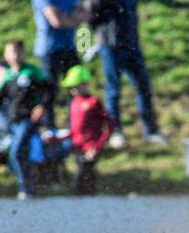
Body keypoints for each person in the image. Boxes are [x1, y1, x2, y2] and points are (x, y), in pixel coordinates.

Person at [88, 0, 165, 148]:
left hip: (131, 42)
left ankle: (151, 131)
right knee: (113, 90)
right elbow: (90, 12)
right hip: (110, 44)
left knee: (143, 86)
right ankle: (115, 131)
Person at [0, 39, 55, 199]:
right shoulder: (7, 74)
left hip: (28, 119)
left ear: (23, 53)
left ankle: (26, 187)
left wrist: (42, 105)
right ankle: (30, 184)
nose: (14, 55)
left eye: (17, 51)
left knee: (16, 153)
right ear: (5, 54)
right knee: (17, 154)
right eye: (10, 51)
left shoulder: (31, 72)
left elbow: (49, 89)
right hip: (13, 121)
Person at [57, 64, 113, 195]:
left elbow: (110, 125)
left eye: (75, 86)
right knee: (87, 178)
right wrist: (56, 138)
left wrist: (97, 147)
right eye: (70, 88)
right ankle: (87, 205)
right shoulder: (74, 103)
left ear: (84, 84)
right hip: (78, 147)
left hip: (91, 147)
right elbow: (74, 129)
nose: (72, 90)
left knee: (81, 177)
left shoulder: (94, 102)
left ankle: (88, 202)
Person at [32, 0, 86, 117]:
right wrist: (74, 19)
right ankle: (49, 127)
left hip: (69, 47)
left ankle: (74, 124)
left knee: (77, 86)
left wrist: (68, 19)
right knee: (49, 91)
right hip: (49, 49)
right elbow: (57, 21)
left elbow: (85, 13)